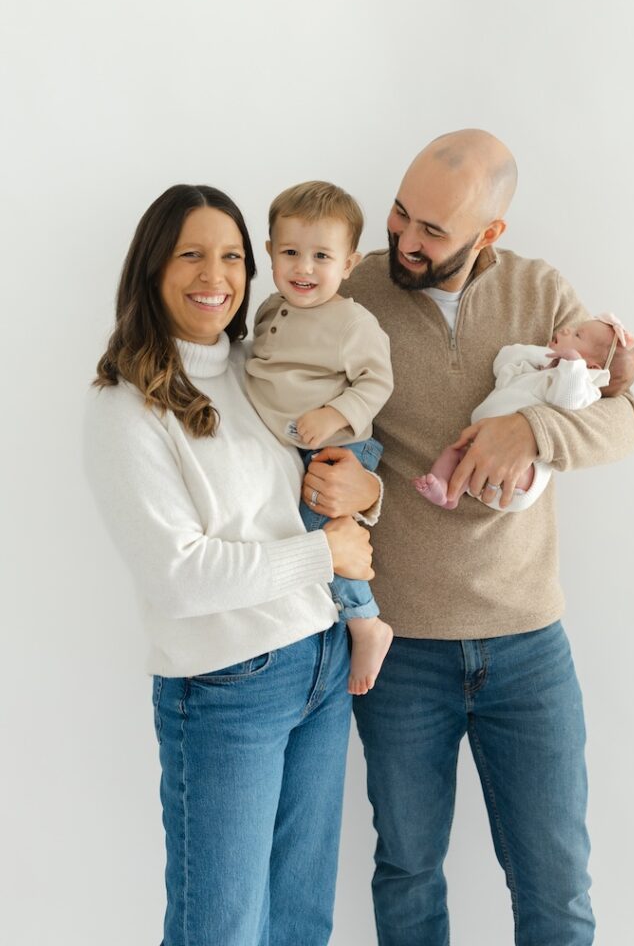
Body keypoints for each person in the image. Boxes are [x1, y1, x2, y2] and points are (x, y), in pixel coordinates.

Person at [311, 130, 634, 945]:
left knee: (555, 886)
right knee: (408, 872)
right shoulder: (352, 294)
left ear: (488, 234)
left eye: (431, 232)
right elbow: (299, 430)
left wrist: (530, 429)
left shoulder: (539, 291)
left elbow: (623, 420)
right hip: (400, 651)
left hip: (529, 645)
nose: (403, 242)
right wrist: (351, 484)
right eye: (399, 215)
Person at [83, 184, 380, 946]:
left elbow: (322, 481)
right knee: (219, 929)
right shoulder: (128, 406)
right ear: (152, 269)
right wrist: (324, 553)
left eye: (232, 256)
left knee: (299, 921)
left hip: (320, 661)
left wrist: (365, 490)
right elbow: (177, 578)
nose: (214, 274)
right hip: (227, 689)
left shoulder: (260, 367)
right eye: (191, 254)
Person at [245, 180, 394, 695]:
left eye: (321, 256)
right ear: (269, 253)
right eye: (290, 252)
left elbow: (377, 381)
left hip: (339, 449)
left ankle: (365, 621)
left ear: (348, 264)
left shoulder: (352, 322)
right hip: (293, 448)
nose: (304, 268)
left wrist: (334, 411)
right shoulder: (267, 311)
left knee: (320, 531)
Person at [414, 312, 634, 512]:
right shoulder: (541, 369)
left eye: (578, 335)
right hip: (476, 443)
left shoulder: (584, 388)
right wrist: (543, 356)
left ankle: (474, 483)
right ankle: (446, 491)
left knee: (496, 466)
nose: (568, 329)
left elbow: (569, 401)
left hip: (525, 476)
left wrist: (572, 367)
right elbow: (504, 360)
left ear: (591, 369)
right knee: (455, 453)